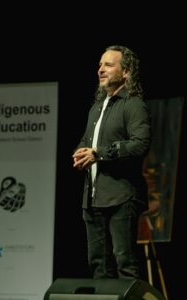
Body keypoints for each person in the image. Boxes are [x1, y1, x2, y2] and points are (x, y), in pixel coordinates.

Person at [72, 45, 151, 279]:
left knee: (125, 263)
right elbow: (87, 140)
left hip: (121, 197)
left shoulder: (134, 105)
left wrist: (98, 153)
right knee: (99, 268)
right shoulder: (96, 108)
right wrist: (80, 152)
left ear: (126, 72)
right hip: (93, 198)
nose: (100, 70)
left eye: (108, 65)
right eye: (99, 65)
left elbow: (139, 144)